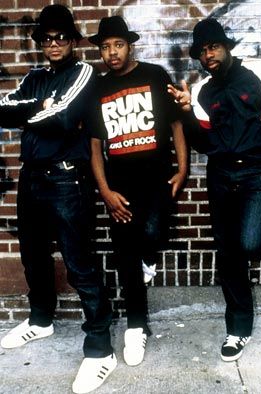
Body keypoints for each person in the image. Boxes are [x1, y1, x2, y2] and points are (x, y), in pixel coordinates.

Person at [168, 18, 261, 362]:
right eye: (202, 51)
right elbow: (203, 142)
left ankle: (242, 308)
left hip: (258, 171)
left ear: (226, 47)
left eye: (213, 47)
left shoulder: (260, 71)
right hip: (221, 174)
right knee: (228, 253)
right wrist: (185, 114)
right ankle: (238, 328)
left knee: (250, 244)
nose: (208, 55)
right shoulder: (201, 90)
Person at [0, 5, 117, 393]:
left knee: (79, 262)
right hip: (32, 178)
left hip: (67, 180)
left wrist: (34, 113)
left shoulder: (83, 73)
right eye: (47, 38)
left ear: (73, 41)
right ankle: (40, 319)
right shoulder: (34, 78)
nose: (54, 44)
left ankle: (100, 348)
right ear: (41, 43)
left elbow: (65, 118)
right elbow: (2, 110)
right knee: (33, 254)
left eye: (61, 37)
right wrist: (39, 107)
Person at [88, 16, 187, 366]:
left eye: (117, 44)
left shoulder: (155, 75)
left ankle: (148, 260)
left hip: (157, 178)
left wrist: (183, 169)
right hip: (120, 188)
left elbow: (176, 124)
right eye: (104, 46)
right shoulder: (98, 89)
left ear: (130, 46)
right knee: (126, 257)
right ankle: (136, 327)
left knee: (155, 233)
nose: (111, 52)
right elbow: (95, 146)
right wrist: (105, 192)